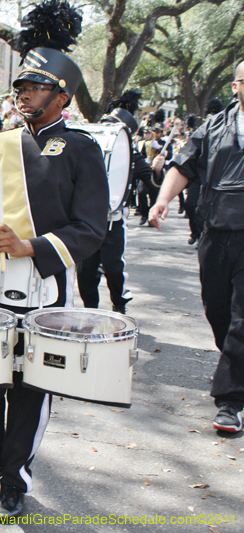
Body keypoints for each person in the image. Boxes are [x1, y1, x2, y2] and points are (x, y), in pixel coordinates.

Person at [0, 1, 108, 520]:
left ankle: (15, 476)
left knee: (28, 386)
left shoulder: (83, 149)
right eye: (20, 85)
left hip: (48, 288)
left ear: (62, 95)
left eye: (36, 87)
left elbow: (92, 229)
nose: (23, 94)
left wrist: (32, 247)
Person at [149, 60, 244, 433]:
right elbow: (183, 166)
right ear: (237, 86)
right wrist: (162, 200)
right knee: (218, 308)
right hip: (217, 232)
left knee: (242, 318)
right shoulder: (215, 126)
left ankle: (230, 401)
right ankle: (234, 365)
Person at [77, 90, 155, 315]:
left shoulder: (131, 154)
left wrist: (158, 172)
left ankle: (118, 305)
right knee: (86, 271)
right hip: (87, 219)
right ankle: (90, 312)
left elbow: (150, 178)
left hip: (114, 220)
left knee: (113, 267)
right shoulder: (84, 148)